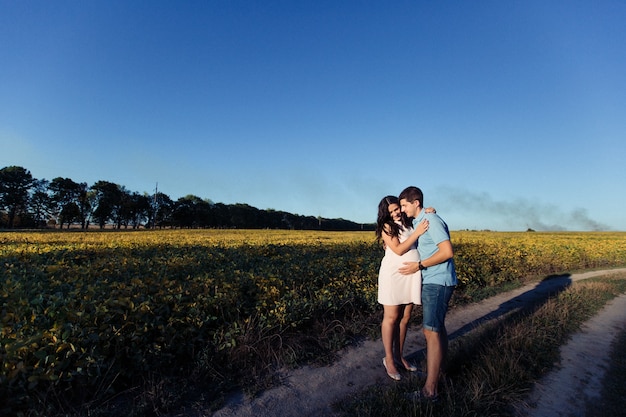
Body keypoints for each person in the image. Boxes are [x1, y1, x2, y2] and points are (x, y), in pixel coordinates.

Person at [398, 186, 457, 401]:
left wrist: (419, 266)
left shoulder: (431, 220)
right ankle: (439, 375)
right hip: (435, 281)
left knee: (430, 332)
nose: (402, 210)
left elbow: (447, 251)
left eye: (404, 205)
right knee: (437, 330)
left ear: (416, 203)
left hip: (438, 281)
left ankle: (430, 390)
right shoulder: (422, 220)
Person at [375, 195, 430, 381]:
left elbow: (420, 217)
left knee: (405, 318)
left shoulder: (409, 221)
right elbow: (398, 250)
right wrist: (417, 233)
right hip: (394, 276)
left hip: (412, 275)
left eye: (397, 208)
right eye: (391, 211)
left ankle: (399, 356)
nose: (396, 213)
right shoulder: (387, 226)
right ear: (385, 214)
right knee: (391, 318)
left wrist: (428, 212)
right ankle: (389, 359)